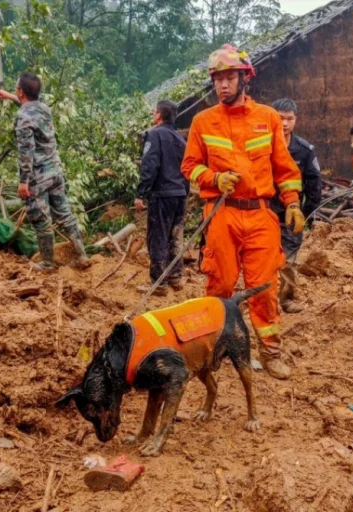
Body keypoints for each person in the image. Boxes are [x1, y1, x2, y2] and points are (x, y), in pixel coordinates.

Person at [182, 44, 304, 380]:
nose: (222, 85)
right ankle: (212, 351)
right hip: (221, 214)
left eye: (229, 77)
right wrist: (214, 178)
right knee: (219, 284)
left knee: (264, 286)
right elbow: (189, 166)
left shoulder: (267, 118)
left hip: (261, 214)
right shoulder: (202, 121)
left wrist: (292, 201)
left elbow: (284, 167)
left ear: (244, 79)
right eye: (218, 79)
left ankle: (271, 352)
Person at [0, 73, 90, 271]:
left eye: (15, 89)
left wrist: (23, 181)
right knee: (65, 214)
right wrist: (11, 97)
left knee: (41, 220)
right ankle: (82, 255)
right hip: (55, 172)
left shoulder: (22, 117)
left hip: (37, 177)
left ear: (21, 92)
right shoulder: (44, 109)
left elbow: (26, 151)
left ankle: (47, 263)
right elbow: (31, 109)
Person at [269, 97, 321, 314]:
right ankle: (265, 302)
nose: (284, 124)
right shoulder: (262, 147)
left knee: (288, 262)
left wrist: (306, 212)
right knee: (263, 262)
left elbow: (313, 183)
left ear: (295, 120)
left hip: (291, 215)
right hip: (265, 213)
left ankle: (286, 300)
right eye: (280, 119)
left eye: (289, 119)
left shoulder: (304, 150)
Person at [135, 100, 188, 296]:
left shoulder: (154, 134)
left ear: (158, 115)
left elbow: (149, 165)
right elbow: (187, 169)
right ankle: (176, 276)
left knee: (157, 236)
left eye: (153, 112)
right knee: (175, 236)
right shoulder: (181, 139)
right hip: (180, 194)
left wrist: (141, 193)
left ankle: (158, 283)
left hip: (162, 194)